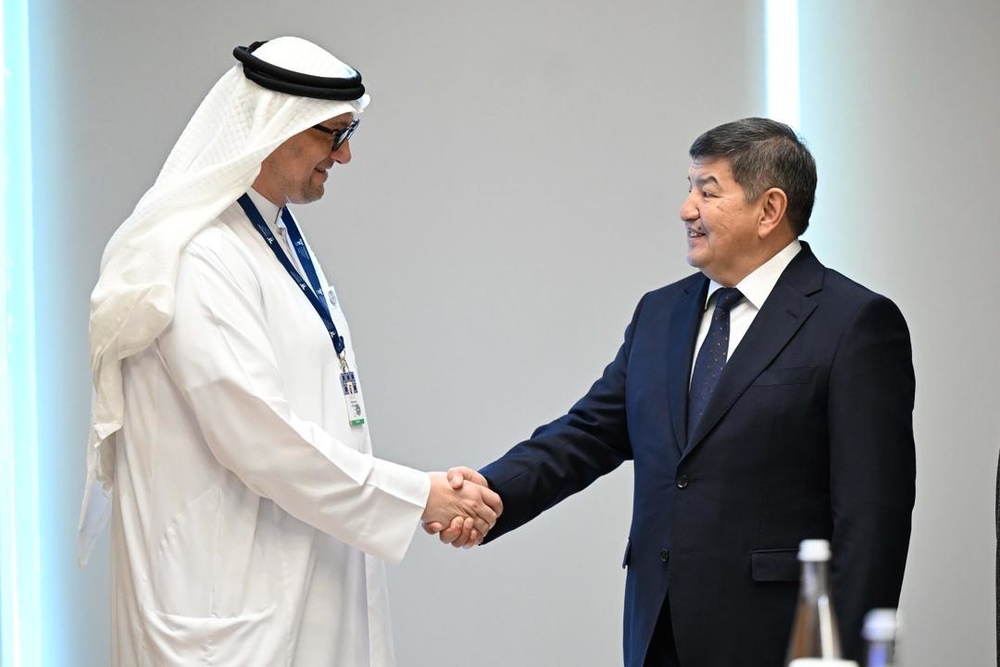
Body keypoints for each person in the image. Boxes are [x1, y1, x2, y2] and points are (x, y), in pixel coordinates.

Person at [77, 37, 501, 666]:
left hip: (299, 574)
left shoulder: (270, 235)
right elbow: (259, 438)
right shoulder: (200, 256)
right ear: (274, 126)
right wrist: (420, 496)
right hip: (223, 604)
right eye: (334, 134)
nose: (346, 154)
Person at [429, 118, 916, 666]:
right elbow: (588, 433)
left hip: (778, 639)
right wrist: (488, 493)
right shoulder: (659, 313)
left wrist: (842, 654)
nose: (687, 210)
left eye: (708, 192)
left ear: (770, 210)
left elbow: (874, 518)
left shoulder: (854, 323)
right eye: (689, 189)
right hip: (657, 630)